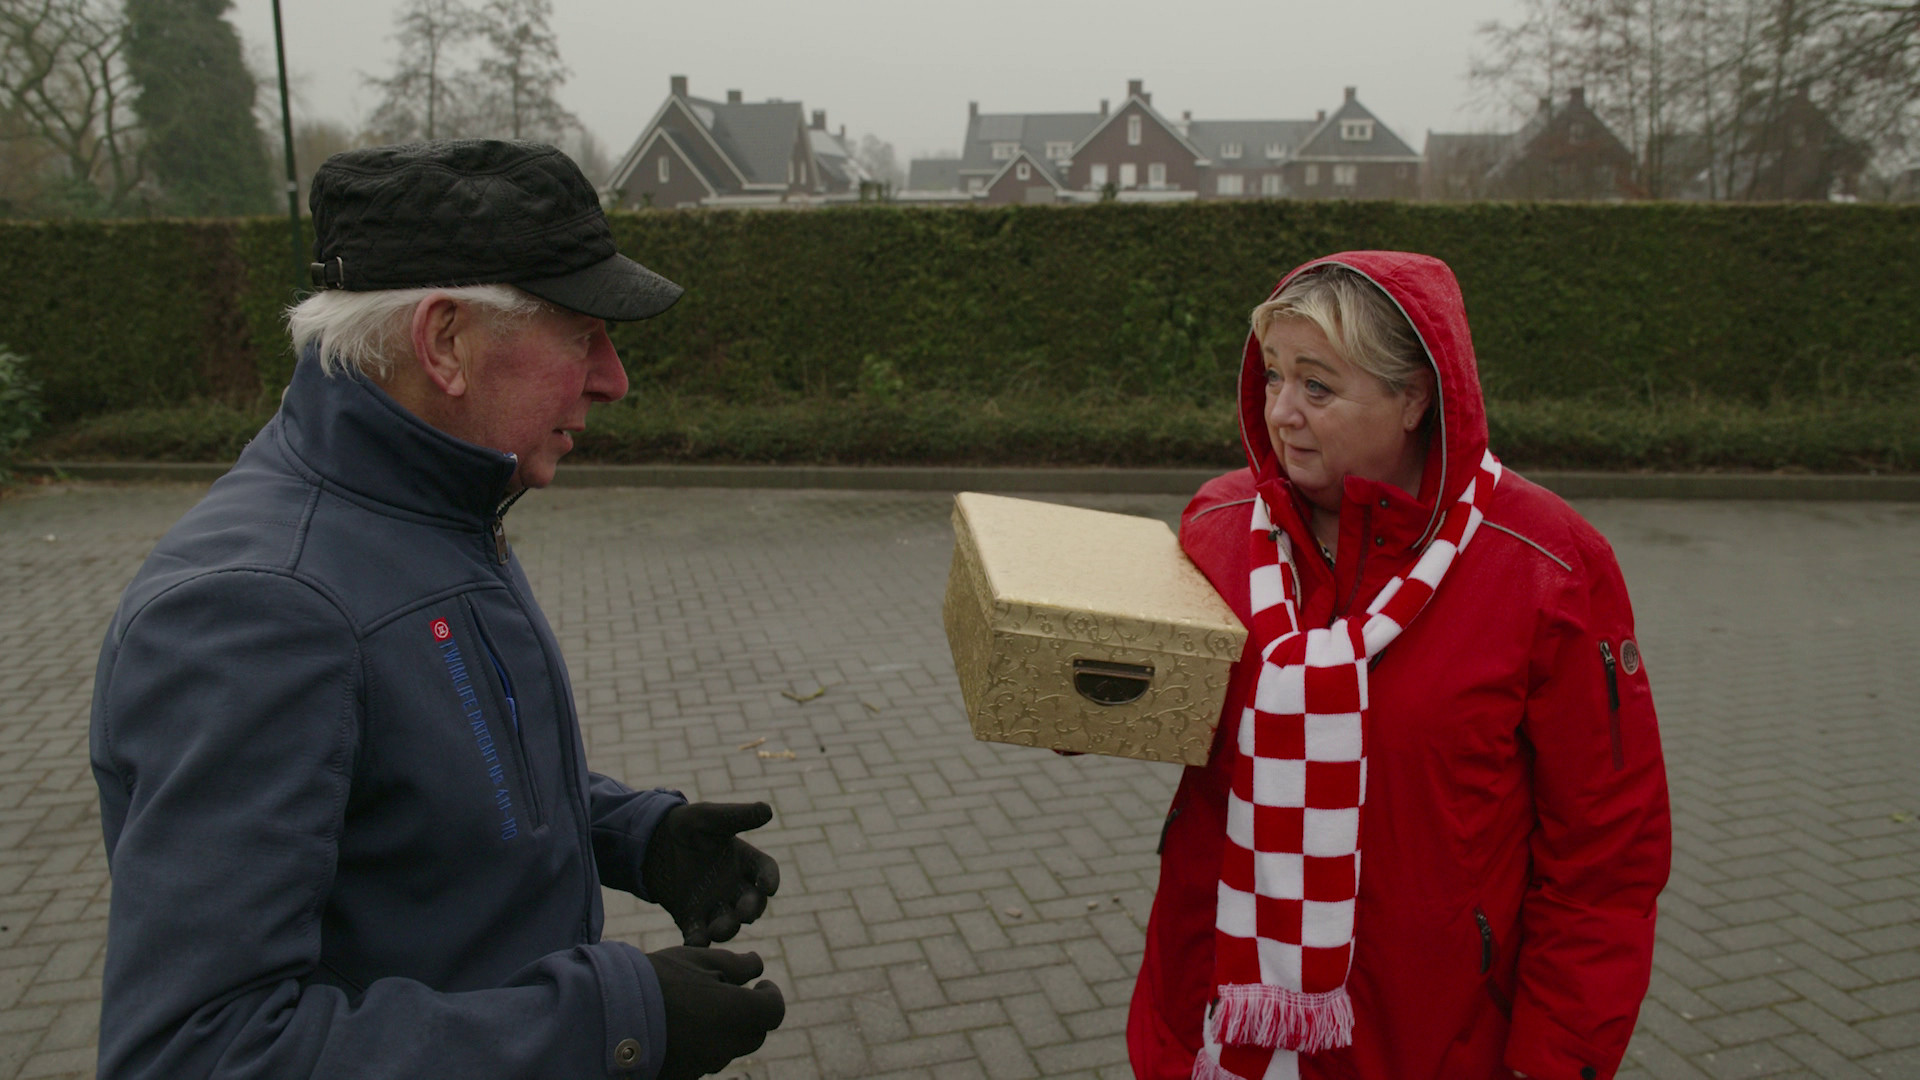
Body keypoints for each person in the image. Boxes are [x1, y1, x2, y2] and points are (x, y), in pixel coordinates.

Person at [89, 140, 785, 1080]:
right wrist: (608, 1023)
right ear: (446, 342)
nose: (614, 378)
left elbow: (429, 778)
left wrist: (631, 833)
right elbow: (198, 1051)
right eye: (584, 334)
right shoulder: (257, 611)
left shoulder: (436, 506)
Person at [1126, 251, 1670, 1080]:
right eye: (1274, 376)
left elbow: (1606, 848)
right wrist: (1088, 694)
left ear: (1416, 397)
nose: (1281, 413)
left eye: (1318, 386)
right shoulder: (1220, 523)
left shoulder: (1546, 566)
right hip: (1221, 1013)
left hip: (1429, 1036)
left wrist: (1558, 1056)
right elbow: (1170, 707)